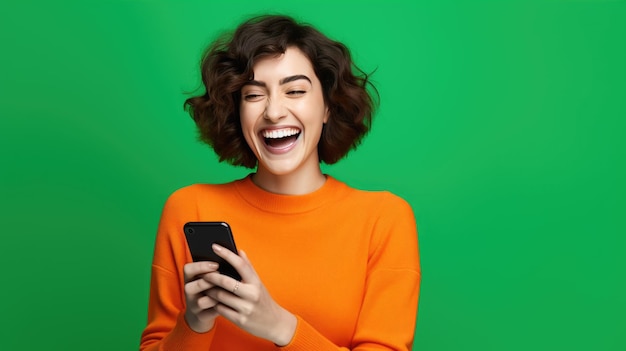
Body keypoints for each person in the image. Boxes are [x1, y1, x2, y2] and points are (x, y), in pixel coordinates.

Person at [139, 14, 420, 351]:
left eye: (296, 90)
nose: (274, 112)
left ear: (328, 106)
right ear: (236, 111)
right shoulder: (190, 208)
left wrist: (279, 325)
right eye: (253, 95)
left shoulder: (383, 219)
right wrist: (195, 324)